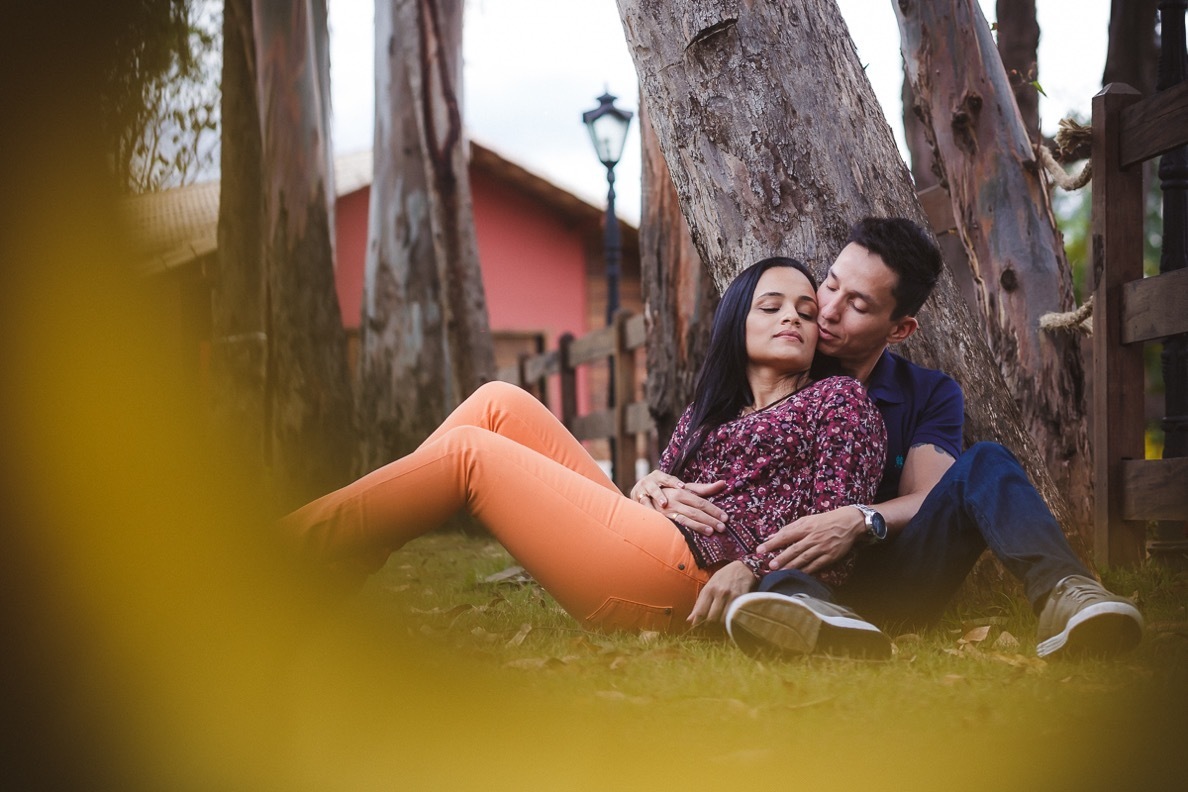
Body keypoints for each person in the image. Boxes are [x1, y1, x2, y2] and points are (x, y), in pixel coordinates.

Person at [282, 258, 886, 635]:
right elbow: (647, 496)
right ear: (738, 322)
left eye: (807, 312)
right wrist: (646, 486)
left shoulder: (838, 402)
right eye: (772, 306)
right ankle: (338, 567)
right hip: (651, 543)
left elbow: (835, 539)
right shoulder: (711, 410)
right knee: (498, 402)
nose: (795, 319)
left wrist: (750, 571)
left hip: (696, 576)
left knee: (470, 453)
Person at [710, 217, 1143, 660]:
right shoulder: (778, 360)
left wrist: (860, 519)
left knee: (986, 461)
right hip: (789, 574)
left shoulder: (929, 392)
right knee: (789, 585)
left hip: (897, 581)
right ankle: (818, 622)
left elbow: (930, 494)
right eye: (831, 285)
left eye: (858, 305)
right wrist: (656, 485)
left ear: (899, 329)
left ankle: (1066, 594)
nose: (828, 310)